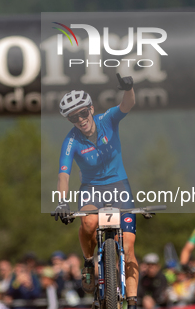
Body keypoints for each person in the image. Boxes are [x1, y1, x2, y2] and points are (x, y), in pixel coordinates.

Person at [54, 74, 138, 309]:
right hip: (91, 189)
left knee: (129, 245)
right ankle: (89, 262)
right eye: (73, 117)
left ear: (91, 109)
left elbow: (127, 105)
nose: (80, 119)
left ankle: (132, 301)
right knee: (89, 224)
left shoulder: (107, 120)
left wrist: (129, 89)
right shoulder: (70, 141)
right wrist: (62, 201)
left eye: (83, 113)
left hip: (119, 185)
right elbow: (64, 174)